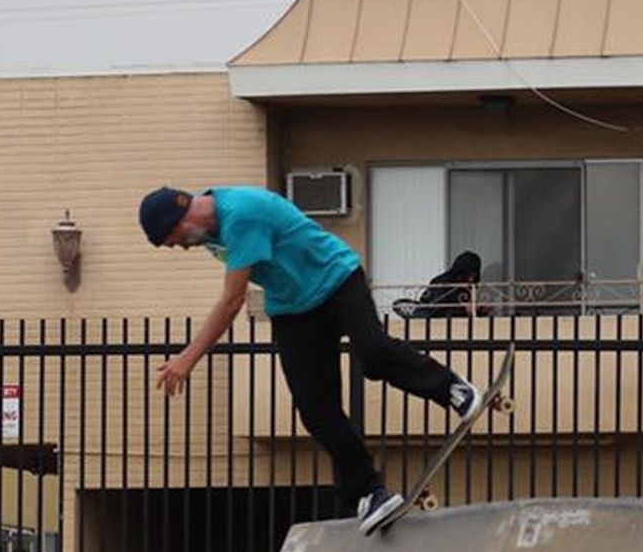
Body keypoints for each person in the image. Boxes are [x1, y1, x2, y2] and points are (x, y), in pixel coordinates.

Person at [140, 185, 484, 534]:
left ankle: (451, 388)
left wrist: (187, 358)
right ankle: (369, 493)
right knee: (317, 411)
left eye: (173, 240)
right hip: (293, 311)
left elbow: (232, 301)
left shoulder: (241, 216)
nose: (179, 247)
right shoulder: (209, 227)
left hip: (337, 280)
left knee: (374, 354)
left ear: (182, 219)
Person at [392, 251, 483, 319]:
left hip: (456, 324)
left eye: (474, 275)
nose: (471, 279)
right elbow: (436, 308)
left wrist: (478, 309)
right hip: (434, 317)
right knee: (400, 304)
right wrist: (463, 309)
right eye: (468, 274)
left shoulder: (469, 288)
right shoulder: (442, 282)